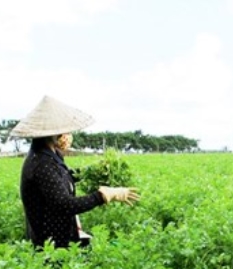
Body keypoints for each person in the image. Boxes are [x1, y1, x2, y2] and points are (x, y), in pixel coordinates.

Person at [13, 95, 140, 249]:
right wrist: (102, 196)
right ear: (54, 133)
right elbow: (65, 205)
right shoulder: (41, 163)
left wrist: (92, 171)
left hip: (63, 237)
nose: (68, 134)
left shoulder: (51, 156)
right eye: (65, 130)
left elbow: (62, 178)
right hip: (51, 247)